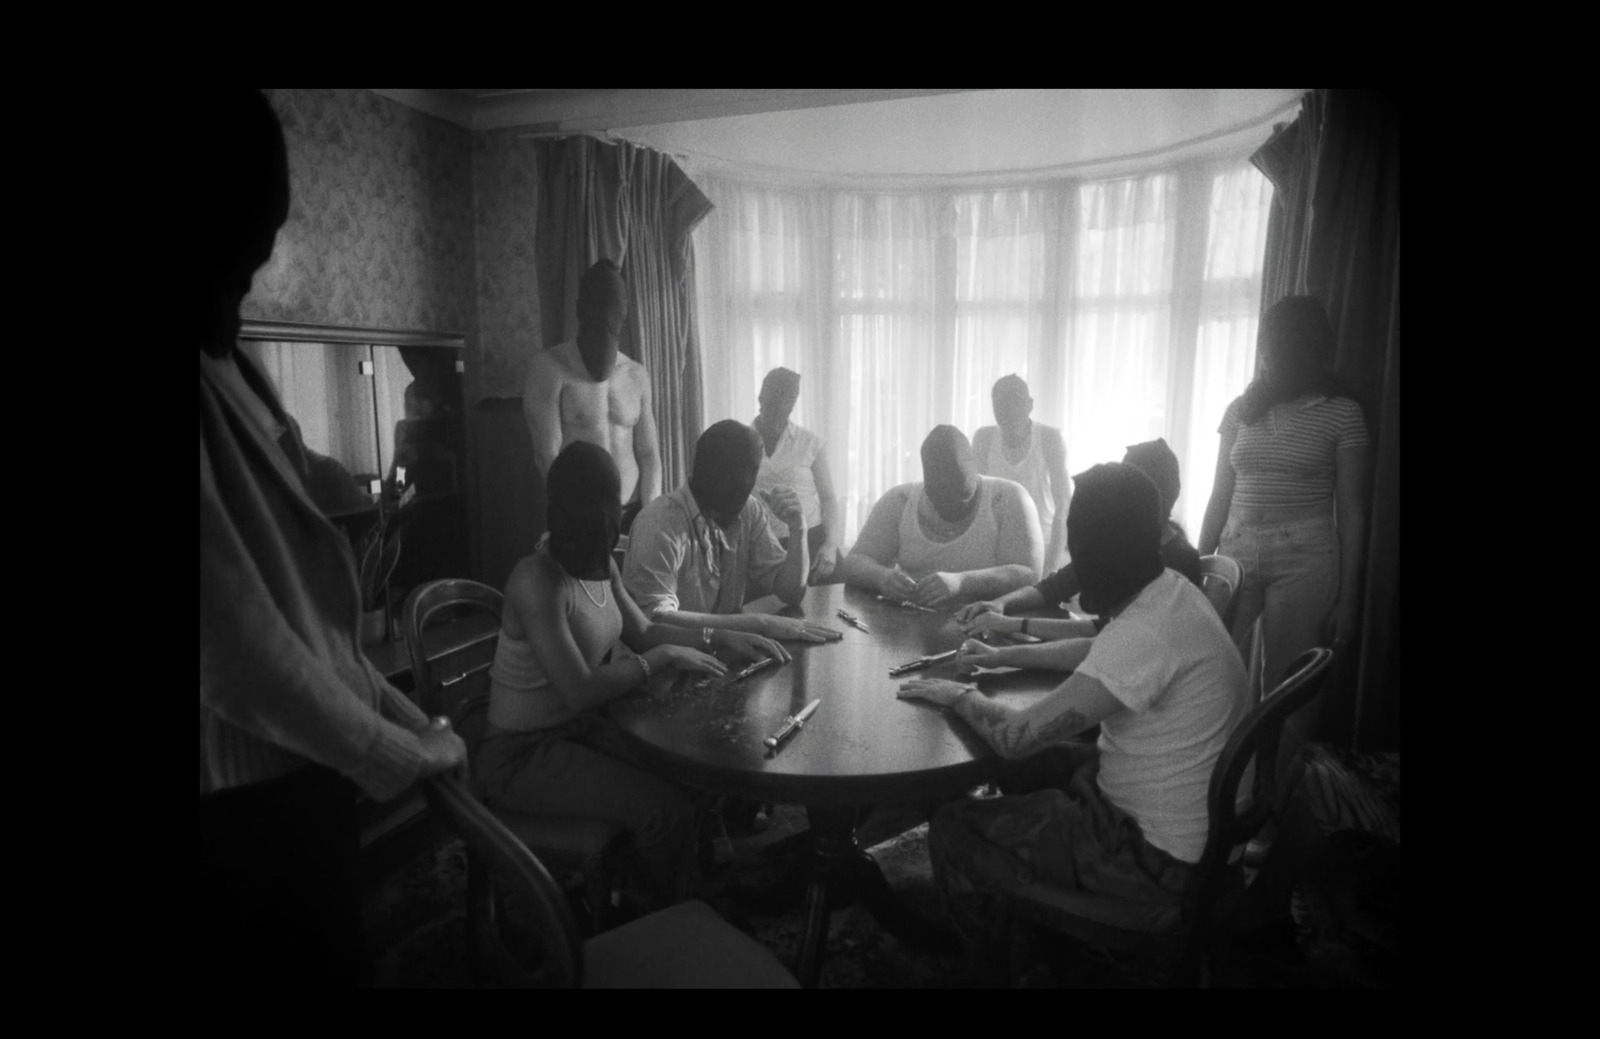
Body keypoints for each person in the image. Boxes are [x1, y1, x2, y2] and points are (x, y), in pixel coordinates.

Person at [199, 90, 467, 988]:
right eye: (240, 248)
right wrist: (397, 749)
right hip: (238, 805)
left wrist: (396, 717)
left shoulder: (224, 358)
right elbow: (236, 648)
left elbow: (315, 625)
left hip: (297, 775)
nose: (260, 263)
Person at [895, 463, 1250, 984]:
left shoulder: (1147, 633)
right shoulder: (1169, 590)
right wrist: (999, 651)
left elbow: (1014, 738)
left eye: (1078, 541)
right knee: (1040, 765)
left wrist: (957, 694)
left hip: (1154, 862)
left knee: (954, 827)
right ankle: (1034, 918)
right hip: (1192, 833)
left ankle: (997, 965)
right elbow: (1097, 644)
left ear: (1089, 549)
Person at [478, 441, 789, 906]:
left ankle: (653, 890)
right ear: (566, 515)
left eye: (615, 511)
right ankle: (665, 921)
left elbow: (642, 630)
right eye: (607, 514)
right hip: (521, 755)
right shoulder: (536, 580)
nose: (614, 526)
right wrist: (656, 661)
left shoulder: (599, 562)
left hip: (574, 731)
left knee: (691, 777)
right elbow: (580, 688)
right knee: (663, 812)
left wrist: (718, 639)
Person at [1197, 295, 1369, 757]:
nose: (1268, 357)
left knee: (1285, 690)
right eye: (1265, 345)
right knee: (1204, 666)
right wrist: (1198, 566)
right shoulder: (1242, 409)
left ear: (1307, 349)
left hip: (1305, 561)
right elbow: (1219, 493)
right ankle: (1208, 781)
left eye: (1278, 346)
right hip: (1233, 551)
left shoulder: (1342, 412)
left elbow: (1352, 512)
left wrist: (1349, 601)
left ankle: (1270, 813)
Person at [954, 438, 1203, 642]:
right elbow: (1056, 587)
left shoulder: (1179, 562)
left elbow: (1104, 635)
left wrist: (1013, 629)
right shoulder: (1121, 542)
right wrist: (1000, 605)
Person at [623, 419, 842, 644]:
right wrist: (758, 624)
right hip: (664, 664)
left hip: (724, 652)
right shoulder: (660, 522)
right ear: (703, 470)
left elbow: (791, 593)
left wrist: (798, 529)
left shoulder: (749, 509)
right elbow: (657, 622)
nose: (744, 485)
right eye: (732, 477)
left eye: (751, 475)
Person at [837, 425, 1042, 608]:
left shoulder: (1007, 498)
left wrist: (961, 582)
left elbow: (1029, 575)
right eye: (940, 498)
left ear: (976, 471)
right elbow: (854, 562)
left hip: (987, 624)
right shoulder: (900, 500)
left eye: (963, 495)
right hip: (911, 623)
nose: (951, 506)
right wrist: (882, 577)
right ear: (926, 482)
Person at [524, 260, 662, 530]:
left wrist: (651, 517)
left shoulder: (636, 374)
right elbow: (546, 456)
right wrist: (574, 515)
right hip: (578, 515)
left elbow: (648, 453)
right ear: (581, 310)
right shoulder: (549, 369)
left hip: (633, 512)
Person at [750, 367, 841, 583]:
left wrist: (830, 545)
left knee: (828, 609)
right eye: (778, 393)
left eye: (792, 396)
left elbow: (828, 498)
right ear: (761, 396)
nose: (785, 402)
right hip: (760, 544)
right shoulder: (741, 442)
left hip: (810, 541)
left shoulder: (810, 442)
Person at [971, 374, 1069, 571]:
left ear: (1029, 404)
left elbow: (1063, 505)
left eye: (1013, 403)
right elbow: (974, 500)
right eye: (999, 405)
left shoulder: (1049, 438)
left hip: (1044, 541)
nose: (1007, 411)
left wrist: (1051, 566)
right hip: (997, 543)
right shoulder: (984, 438)